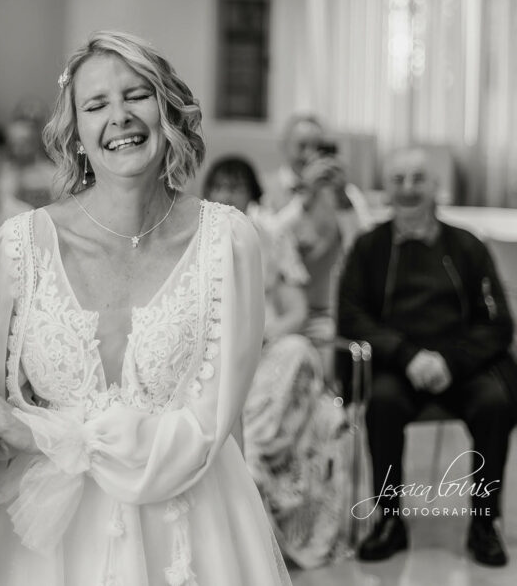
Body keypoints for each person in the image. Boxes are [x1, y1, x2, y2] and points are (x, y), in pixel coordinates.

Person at [0, 31, 290, 585]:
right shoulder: (16, 249)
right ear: (77, 134)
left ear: (168, 111)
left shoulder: (228, 242)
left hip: (191, 535)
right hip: (43, 544)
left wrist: (45, 435)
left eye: (137, 95)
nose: (120, 117)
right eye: (96, 104)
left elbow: (215, 424)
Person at [338, 147, 517, 567]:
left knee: (495, 402)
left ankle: (484, 522)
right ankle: (389, 519)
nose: (408, 189)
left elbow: (498, 324)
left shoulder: (468, 246)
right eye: (398, 180)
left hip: (462, 365)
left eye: (418, 179)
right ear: (387, 190)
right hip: (398, 366)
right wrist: (408, 356)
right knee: (381, 404)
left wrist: (449, 362)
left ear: (436, 187)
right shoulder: (368, 248)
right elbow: (351, 316)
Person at [204, 156, 350, 568]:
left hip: (266, 346)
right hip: (215, 351)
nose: (226, 194)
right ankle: (245, 461)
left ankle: (258, 451)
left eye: (236, 186)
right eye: (219, 185)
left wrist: (264, 331)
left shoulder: (269, 236)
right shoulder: (191, 237)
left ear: (253, 194)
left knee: (298, 351)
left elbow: (297, 307)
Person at [261, 113, 370, 355]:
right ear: (284, 146)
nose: (310, 155)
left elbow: (362, 250)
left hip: (325, 314)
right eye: (301, 146)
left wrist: (342, 198)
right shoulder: (265, 189)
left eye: (317, 147)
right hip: (276, 312)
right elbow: (267, 243)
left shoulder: (345, 195)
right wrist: (305, 197)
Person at [0, 113, 57, 209]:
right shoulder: (1, 175)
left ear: (35, 143)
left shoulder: (53, 174)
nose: (19, 148)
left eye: (24, 142)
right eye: (14, 143)